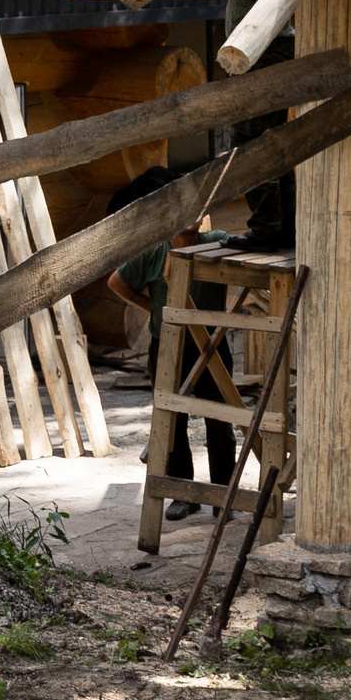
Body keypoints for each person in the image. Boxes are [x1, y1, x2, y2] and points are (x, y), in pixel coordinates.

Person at [105, 166, 237, 518]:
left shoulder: (216, 242)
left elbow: (244, 246)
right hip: (168, 346)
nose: (190, 219)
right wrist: (153, 307)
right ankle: (183, 494)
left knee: (220, 422)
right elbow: (116, 282)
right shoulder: (153, 252)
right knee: (172, 422)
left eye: (196, 212)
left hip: (212, 345)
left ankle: (224, 496)